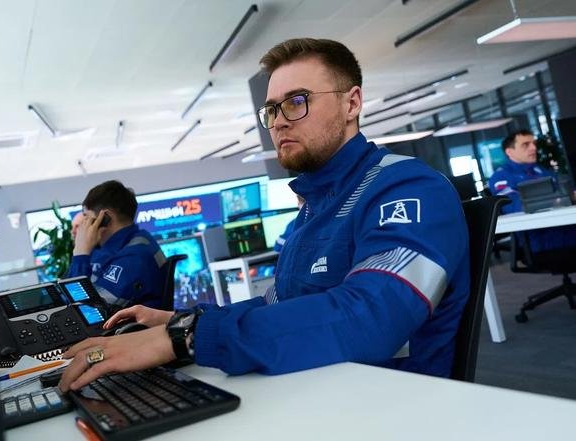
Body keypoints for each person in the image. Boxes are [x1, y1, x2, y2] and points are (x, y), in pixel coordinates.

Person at [59, 38, 469, 393]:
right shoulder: (312, 212)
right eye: (272, 110)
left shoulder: (406, 187)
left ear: (352, 102)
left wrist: (184, 339)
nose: (279, 122)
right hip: (318, 389)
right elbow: (277, 306)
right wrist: (180, 321)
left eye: (297, 102)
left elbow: (370, 317)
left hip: (389, 405)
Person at [67, 180, 167, 308]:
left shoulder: (135, 256)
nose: (83, 224)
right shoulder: (108, 248)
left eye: (86, 217)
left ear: (105, 218)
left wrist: (80, 255)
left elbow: (88, 310)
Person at [488, 129, 576, 252]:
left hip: (564, 227)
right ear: (509, 152)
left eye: (534, 143)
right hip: (539, 238)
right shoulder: (501, 176)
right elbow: (513, 205)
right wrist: (556, 200)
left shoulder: (540, 170)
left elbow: (565, 190)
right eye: (526, 145)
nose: (533, 148)